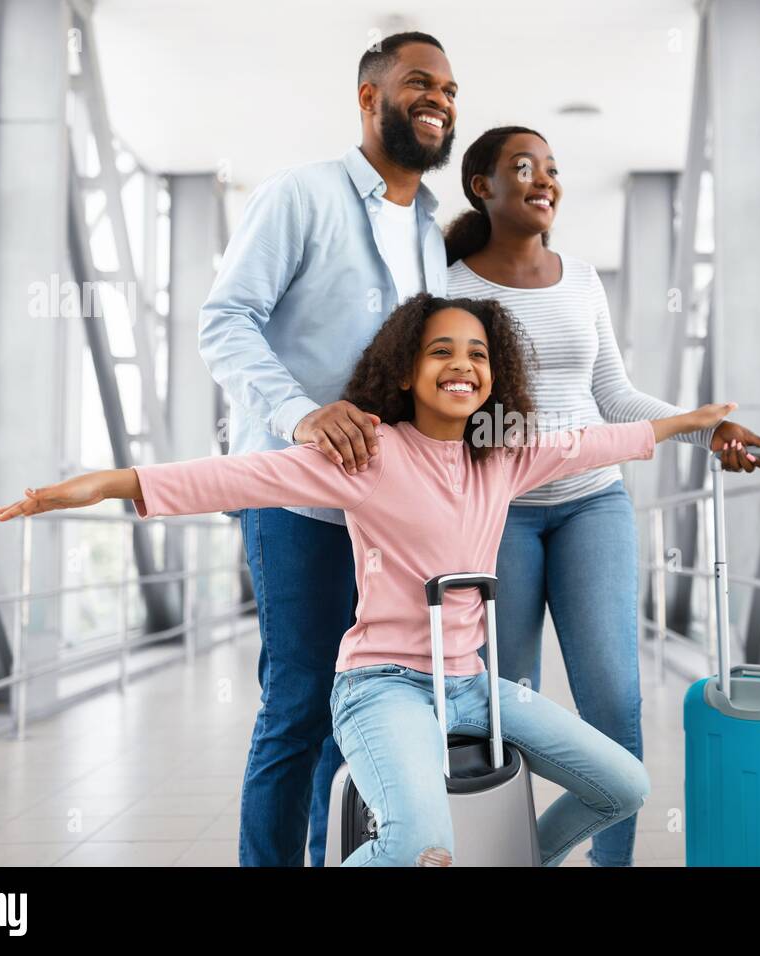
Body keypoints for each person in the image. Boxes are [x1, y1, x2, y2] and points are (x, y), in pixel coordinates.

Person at [0, 294, 753, 866]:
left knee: (623, 787)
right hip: (381, 684)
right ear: (407, 369)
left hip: (474, 685)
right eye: (442, 351)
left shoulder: (505, 454)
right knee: (420, 843)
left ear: (497, 375)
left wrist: (693, 422)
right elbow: (225, 477)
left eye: (479, 354)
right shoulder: (368, 454)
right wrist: (86, 488)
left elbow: (599, 439)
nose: (463, 366)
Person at [444, 126, 760, 865]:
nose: (545, 181)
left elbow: (613, 396)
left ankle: (609, 861)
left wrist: (708, 429)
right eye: (524, 168)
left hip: (593, 505)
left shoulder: (583, 279)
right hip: (500, 516)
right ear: (481, 187)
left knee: (614, 706)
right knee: (506, 705)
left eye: (554, 170)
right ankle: (510, 854)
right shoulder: (452, 287)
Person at [195, 31, 458, 866]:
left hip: (391, 515)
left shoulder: (431, 233)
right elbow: (224, 319)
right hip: (298, 500)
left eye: (451, 90)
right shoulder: (299, 196)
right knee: (301, 702)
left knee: (364, 706)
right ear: (368, 95)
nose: (440, 99)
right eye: (420, 83)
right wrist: (301, 413)